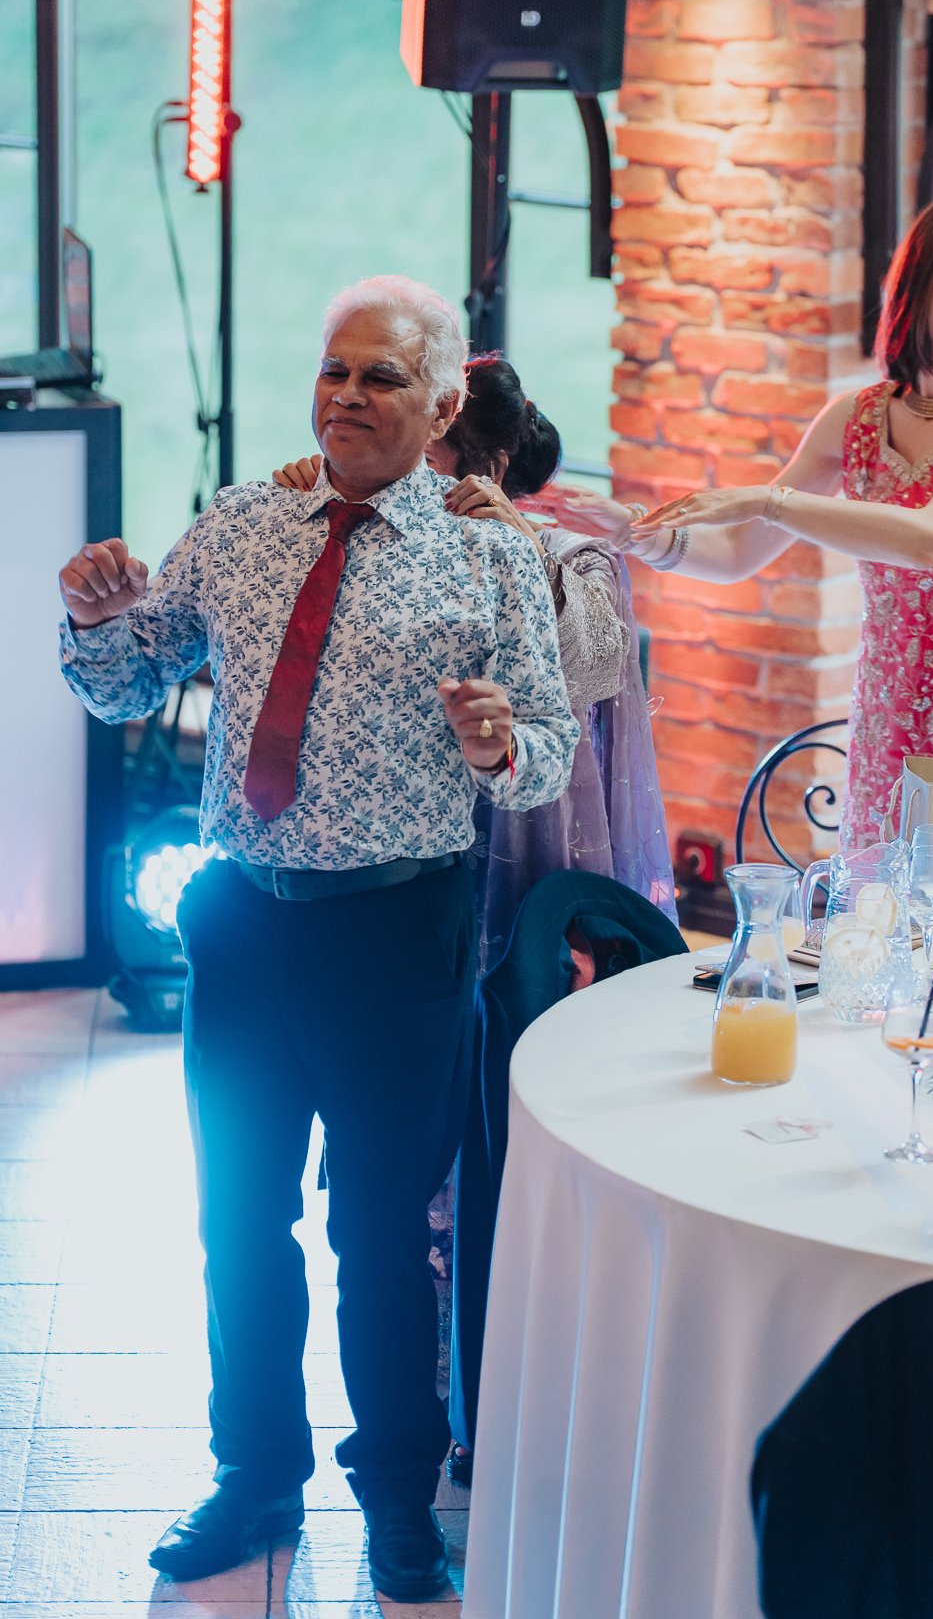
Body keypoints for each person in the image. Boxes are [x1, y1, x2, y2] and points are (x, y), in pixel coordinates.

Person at [56, 275, 579, 1601]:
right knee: (237, 1220)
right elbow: (127, 685)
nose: (346, 395)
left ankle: (397, 1494)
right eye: (335, 370)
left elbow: (548, 752)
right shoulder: (241, 522)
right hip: (239, 922)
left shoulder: (489, 555)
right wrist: (95, 619)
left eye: (381, 377)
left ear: (443, 407)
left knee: (383, 1237)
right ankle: (252, 1478)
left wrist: (502, 746)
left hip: (399, 931)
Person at [558, 193, 933, 912]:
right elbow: (738, 552)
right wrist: (636, 533)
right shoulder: (858, 420)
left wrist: (768, 498)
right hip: (888, 718)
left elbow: (931, 537)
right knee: (885, 935)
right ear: (919, 277)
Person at [275, 352, 676, 969]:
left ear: (494, 469)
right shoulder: (376, 533)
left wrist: (525, 551)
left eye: (428, 463)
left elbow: (597, 664)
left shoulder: (575, 556)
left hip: (521, 808)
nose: (405, 477)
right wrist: (308, 506)